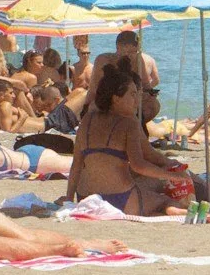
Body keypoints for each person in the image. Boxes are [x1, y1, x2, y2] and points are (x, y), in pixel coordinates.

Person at [68, 57, 189, 215]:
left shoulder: (87, 121)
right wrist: (171, 175)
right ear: (116, 98)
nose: (137, 100)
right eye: (132, 95)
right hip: (120, 198)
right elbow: (139, 165)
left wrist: (69, 200)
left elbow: (76, 165)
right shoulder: (128, 123)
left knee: (154, 187)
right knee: (166, 201)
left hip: (87, 197)